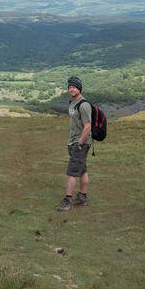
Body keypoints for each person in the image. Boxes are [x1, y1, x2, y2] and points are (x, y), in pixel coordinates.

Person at [58, 76, 92, 211]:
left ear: (79, 88)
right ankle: (82, 197)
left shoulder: (83, 105)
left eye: (74, 87)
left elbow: (88, 126)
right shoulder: (73, 103)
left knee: (71, 172)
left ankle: (68, 201)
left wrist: (80, 143)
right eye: (70, 87)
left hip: (80, 144)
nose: (71, 89)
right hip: (74, 142)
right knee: (82, 170)